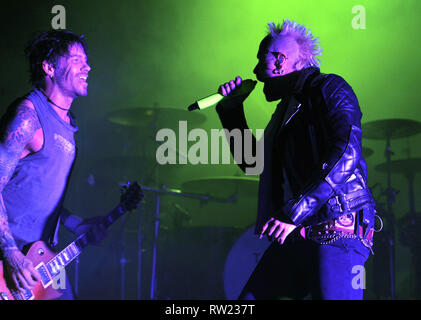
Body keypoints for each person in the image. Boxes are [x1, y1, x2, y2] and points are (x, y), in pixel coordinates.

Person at [216, 19, 377, 300]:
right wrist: (231, 113)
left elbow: (346, 152)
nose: (255, 71)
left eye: (260, 60)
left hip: (337, 233)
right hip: (297, 233)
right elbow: (252, 162)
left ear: (280, 61)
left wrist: (293, 212)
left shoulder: (329, 88)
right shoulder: (284, 113)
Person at [0, 30, 106, 300]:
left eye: (87, 60)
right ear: (49, 67)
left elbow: (38, 190)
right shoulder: (28, 116)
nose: (88, 67)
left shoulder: (68, 127)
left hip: (43, 259)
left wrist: (75, 223)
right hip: (12, 264)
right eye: (76, 60)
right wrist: (10, 253)